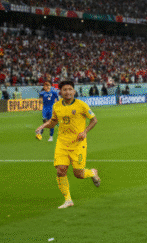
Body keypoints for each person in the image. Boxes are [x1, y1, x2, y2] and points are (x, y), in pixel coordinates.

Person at [33, 80, 101, 208]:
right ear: (60, 92)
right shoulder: (57, 106)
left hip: (78, 144)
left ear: (74, 91)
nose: (68, 92)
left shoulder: (82, 105)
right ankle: (68, 200)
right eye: (65, 90)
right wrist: (42, 126)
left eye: (70, 89)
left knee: (78, 174)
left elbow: (94, 120)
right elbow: (53, 122)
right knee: (60, 170)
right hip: (62, 143)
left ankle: (92, 172)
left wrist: (85, 131)